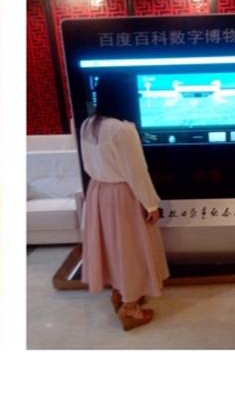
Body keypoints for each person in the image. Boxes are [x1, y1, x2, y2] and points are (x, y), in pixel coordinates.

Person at [79, 76, 170, 331]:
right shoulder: (123, 129)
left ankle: (120, 292)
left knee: (112, 247)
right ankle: (130, 308)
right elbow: (137, 172)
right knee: (131, 249)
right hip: (122, 195)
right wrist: (150, 204)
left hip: (97, 191)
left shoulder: (88, 124)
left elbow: (89, 164)